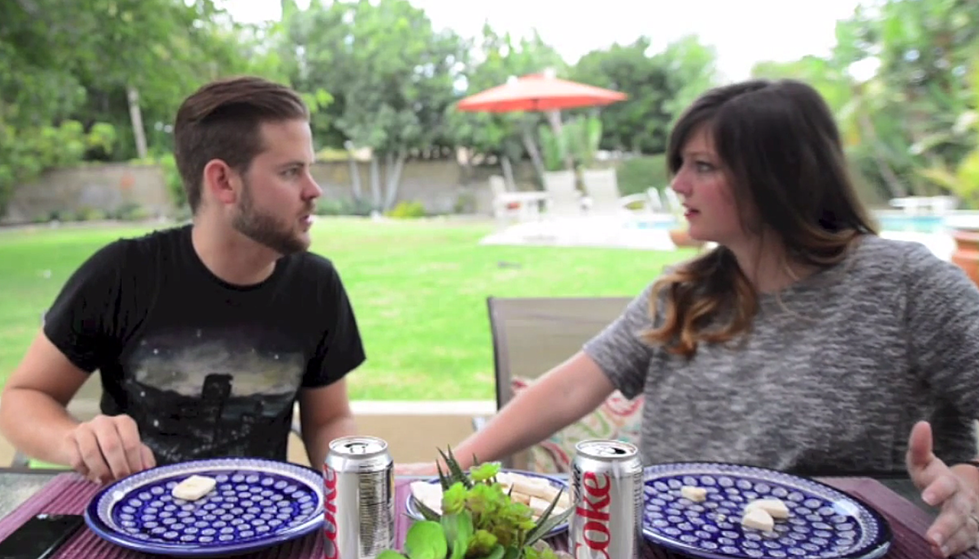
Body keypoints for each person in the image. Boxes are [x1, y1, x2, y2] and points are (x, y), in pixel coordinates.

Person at [407, 79, 979, 558]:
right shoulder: (683, 292)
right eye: (681, 164)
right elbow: (571, 388)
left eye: (702, 166)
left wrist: (972, 483)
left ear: (779, 177)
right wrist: (441, 475)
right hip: (670, 546)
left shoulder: (905, 283)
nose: (678, 185)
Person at [0, 76, 366, 484]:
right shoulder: (123, 274)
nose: (313, 190)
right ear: (223, 181)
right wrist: (76, 440)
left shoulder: (315, 285)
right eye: (291, 171)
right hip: (137, 522)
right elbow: (22, 398)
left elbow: (329, 419)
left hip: (265, 522)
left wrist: (357, 479)